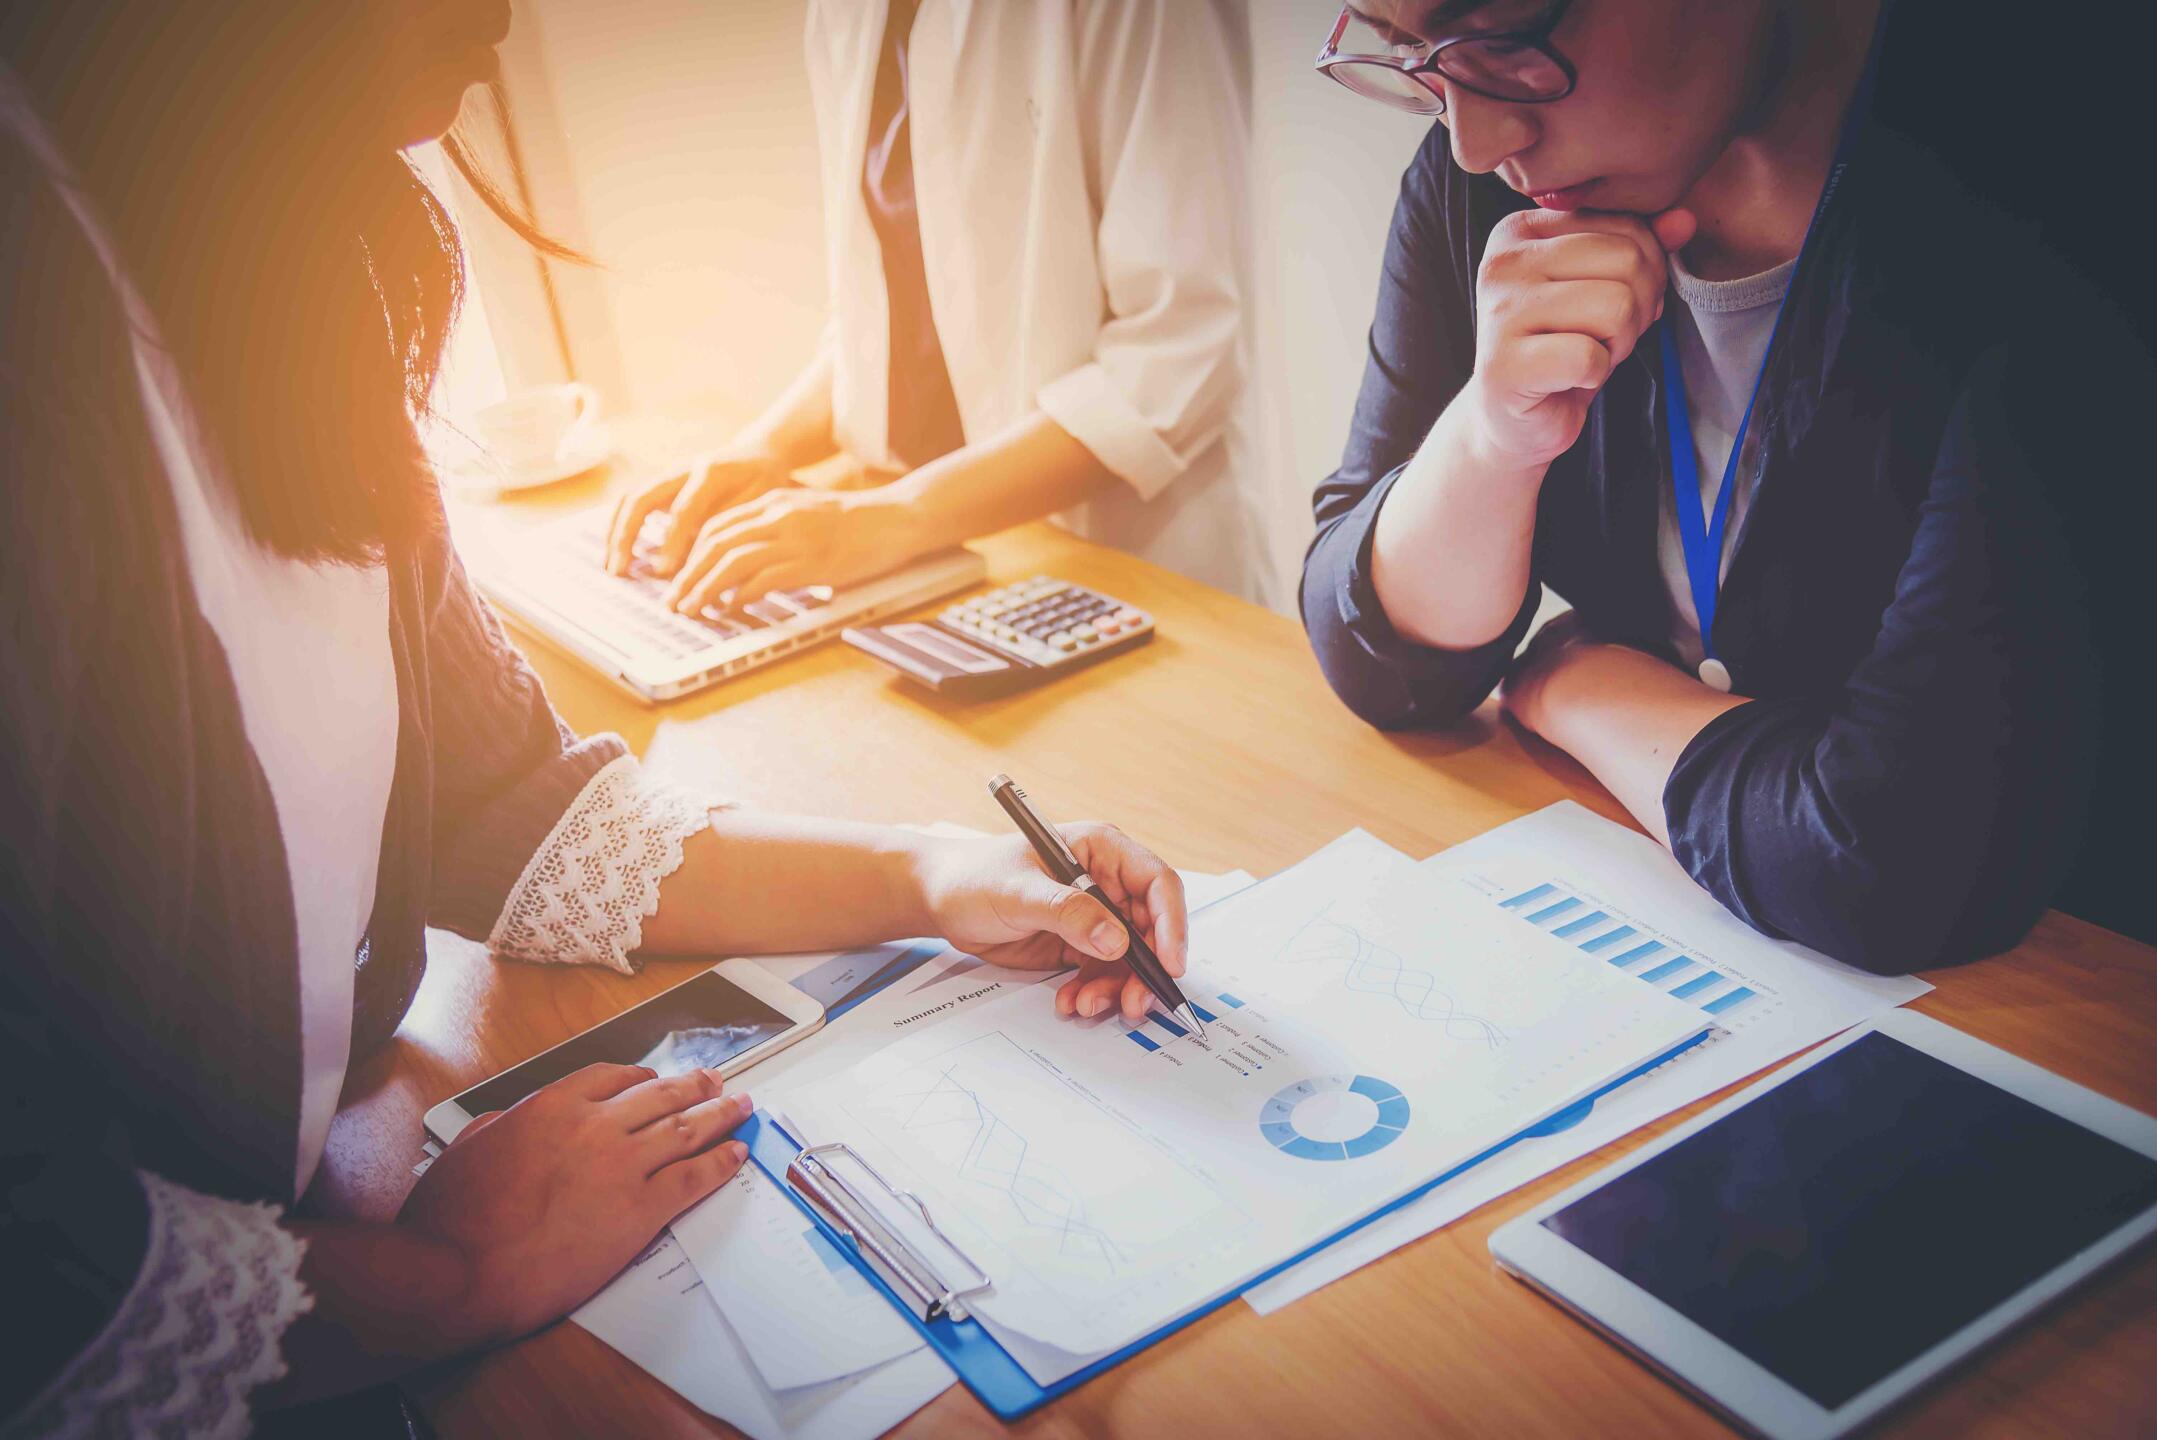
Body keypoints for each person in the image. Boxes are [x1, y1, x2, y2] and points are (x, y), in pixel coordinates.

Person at [0, 4, 1187, 1434]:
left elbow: (512, 805)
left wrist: (935, 874)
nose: (503, 25)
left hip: (317, 1199)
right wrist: (445, 1274)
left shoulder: (297, 260)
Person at [1300, 0, 2151, 974]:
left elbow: (1895, 864)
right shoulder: (1494, 198)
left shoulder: (2066, 197)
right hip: (1717, 932)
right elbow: (1380, 657)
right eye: (1413, 56)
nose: (1473, 138)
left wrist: (1577, 684)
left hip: (2069, 998)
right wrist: (1493, 438)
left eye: (1502, 35)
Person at [604, 0, 1271, 610]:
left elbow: (1180, 350)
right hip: (941, 560)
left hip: (1127, 565)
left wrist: (892, 518)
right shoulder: (843, 15)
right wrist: (762, 450)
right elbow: (881, 317)